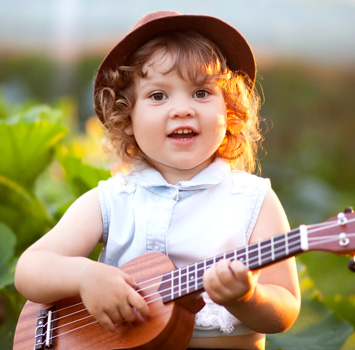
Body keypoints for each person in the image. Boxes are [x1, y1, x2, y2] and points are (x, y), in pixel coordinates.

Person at [14, 10, 300, 350]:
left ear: (230, 110)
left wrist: (247, 297)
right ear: (127, 117)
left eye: (201, 93)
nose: (182, 109)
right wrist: (86, 276)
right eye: (158, 96)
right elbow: (30, 269)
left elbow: (285, 308)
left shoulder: (253, 200)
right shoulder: (113, 199)